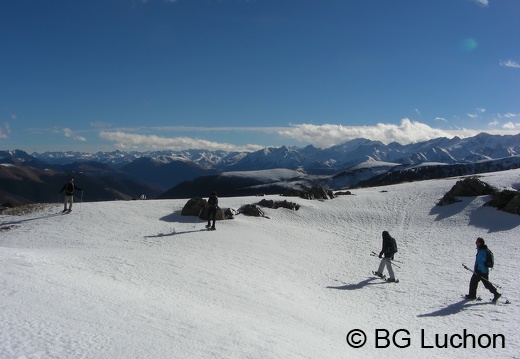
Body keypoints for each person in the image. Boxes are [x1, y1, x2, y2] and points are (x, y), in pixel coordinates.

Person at [465, 237, 501, 302]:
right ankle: (472, 295)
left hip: (481, 271)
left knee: (483, 283)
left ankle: (496, 294)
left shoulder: (482, 251)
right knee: (475, 282)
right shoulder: (484, 250)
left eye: (477, 242)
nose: (476, 243)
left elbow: (481, 262)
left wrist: (478, 271)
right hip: (483, 271)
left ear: (480, 243)